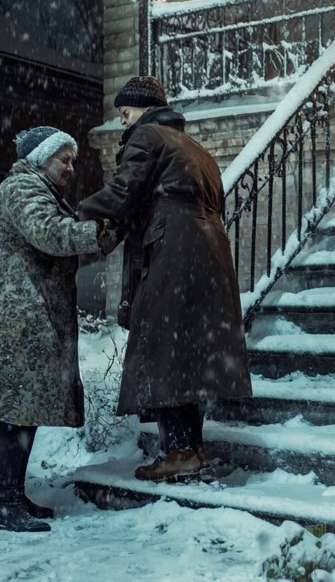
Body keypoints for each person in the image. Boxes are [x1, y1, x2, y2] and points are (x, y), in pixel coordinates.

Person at [78, 76, 252, 482]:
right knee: (187, 353)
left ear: (144, 108)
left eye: (125, 112)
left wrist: (80, 209)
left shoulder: (148, 136)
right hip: (207, 254)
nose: (122, 120)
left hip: (172, 250)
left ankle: (177, 451)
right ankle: (191, 449)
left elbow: (124, 193)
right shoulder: (194, 147)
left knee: (164, 350)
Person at [0, 126, 113, 532]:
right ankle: (5, 504)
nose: (71, 168)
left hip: (21, 317)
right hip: (12, 319)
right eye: (64, 159)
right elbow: (49, 233)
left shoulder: (37, 190)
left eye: (73, 161)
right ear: (41, 157)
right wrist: (101, 232)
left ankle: (9, 496)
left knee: (20, 409)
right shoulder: (22, 189)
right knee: (13, 411)